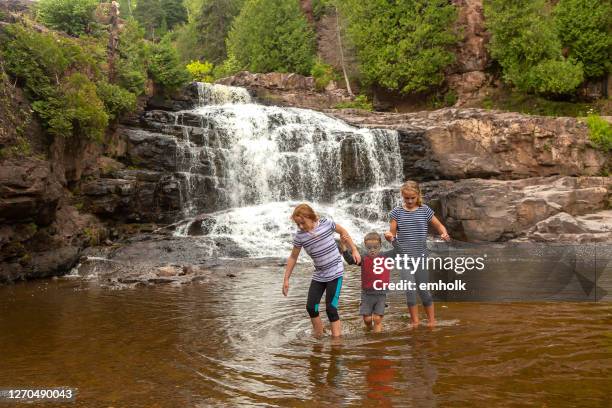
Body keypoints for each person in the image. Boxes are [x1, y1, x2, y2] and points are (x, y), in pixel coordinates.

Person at [282, 203, 361, 338]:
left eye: (303, 223)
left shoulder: (326, 223)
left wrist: (354, 250)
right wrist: (286, 279)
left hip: (335, 272)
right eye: (298, 224)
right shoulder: (300, 236)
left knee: (331, 308)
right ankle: (319, 335)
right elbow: (293, 257)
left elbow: (343, 232)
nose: (301, 227)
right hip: (319, 274)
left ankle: (336, 340)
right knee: (311, 307)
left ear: (311, 217)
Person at [384, 181, 450, 327]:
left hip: (421, 257)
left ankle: (432, 321)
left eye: (412, 198)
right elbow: (392, 235)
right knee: (410, 290)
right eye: (406, 198)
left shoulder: (425, 210)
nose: (409, 201)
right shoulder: (396, 212)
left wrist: (444, 233)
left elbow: (438, 225)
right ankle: (415, 321)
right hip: (404, 258)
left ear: (417, 196)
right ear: (402, 196)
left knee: (423, 290)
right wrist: (389, 236)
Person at [339, 232, 399, 333]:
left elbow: (399, 251)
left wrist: (392, 240)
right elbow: (350, 260)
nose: (372, 250)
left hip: (381, 294)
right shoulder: (363, 258)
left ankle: (376, 341)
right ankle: (369, 329)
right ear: (365, 246)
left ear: (380, 246)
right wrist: (344, 247)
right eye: (369, 247)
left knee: (377, 319)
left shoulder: (386, 257)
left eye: (375, 247)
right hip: (366, 294)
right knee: (367, 319)